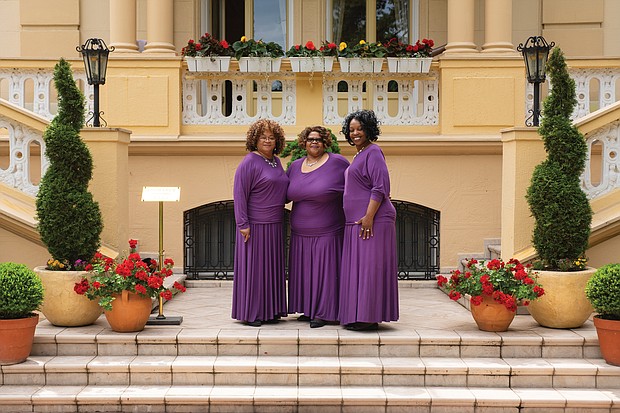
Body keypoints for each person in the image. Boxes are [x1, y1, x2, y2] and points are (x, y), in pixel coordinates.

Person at [338, 110, 399, 331]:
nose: (355, 133)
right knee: (360, 269)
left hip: (372, 221)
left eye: (360, 129)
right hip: (357, 222)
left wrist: (369, 217)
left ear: (369, 129)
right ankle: (358, 314)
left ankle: (368, 317)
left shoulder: (373, 152)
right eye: (352, 129)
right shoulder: (359, 154)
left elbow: (379, 186)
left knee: (370, 268)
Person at [286, 126, 350, 328]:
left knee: (325, 273)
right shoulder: (295, 166)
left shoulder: (338, 163)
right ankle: (308, 309)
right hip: (299, 232)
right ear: (303, 142)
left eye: (319, 139)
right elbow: (283, 193)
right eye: (311, 139)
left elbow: (355, 186)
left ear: (326, 143)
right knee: (304, 273)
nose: (315, 142)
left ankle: (324, 312)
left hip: (328, 231)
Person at [232, 119, 289, 327]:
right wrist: (243, 224)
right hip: (254, 225)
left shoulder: (276, 161)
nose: (267, 140)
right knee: (255, 270)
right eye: (263, 137)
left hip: (275, 224)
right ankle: (252, 313)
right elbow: (239, 195)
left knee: (272, 269)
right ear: (255, 140)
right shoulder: (249, 162)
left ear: (277, 141)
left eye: (271, 137)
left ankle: (271, 310)